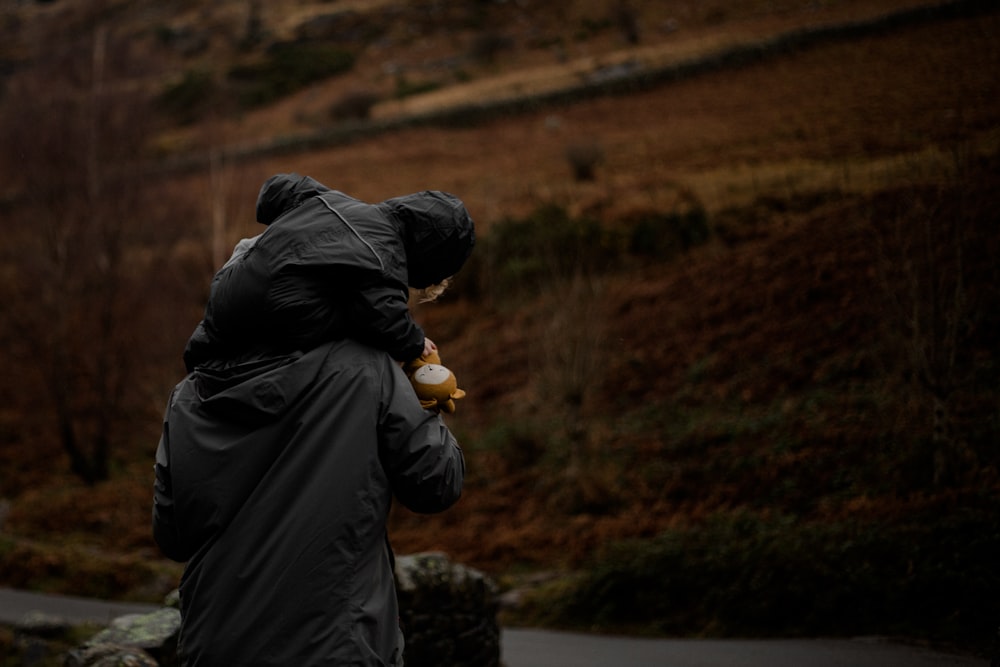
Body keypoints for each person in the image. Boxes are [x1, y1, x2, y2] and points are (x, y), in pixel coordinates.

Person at [153, 338, 465, 665]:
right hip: (338, 649)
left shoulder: (188, 393)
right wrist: (424, 390)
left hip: (213, 646)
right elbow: (436, 482)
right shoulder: (368, 369)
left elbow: (172, 536)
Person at [183, 173, 476, 373]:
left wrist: (301, 219)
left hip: (225, 291)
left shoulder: (337, 202)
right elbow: (384, 315)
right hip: (275, 314)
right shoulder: (385, 256)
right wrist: (415, 343)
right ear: (428, 257)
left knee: (267, 256)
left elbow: (281, 186)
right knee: (354, 325)